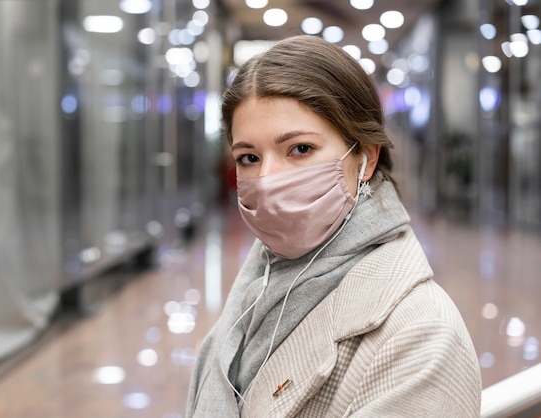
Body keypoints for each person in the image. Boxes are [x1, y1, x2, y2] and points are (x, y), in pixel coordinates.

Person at [186, 35, 481, 417]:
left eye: (300, 149)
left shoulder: (420, 335)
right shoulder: (258, 288)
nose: (269, 178)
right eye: (249, 157)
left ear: (365, 158)